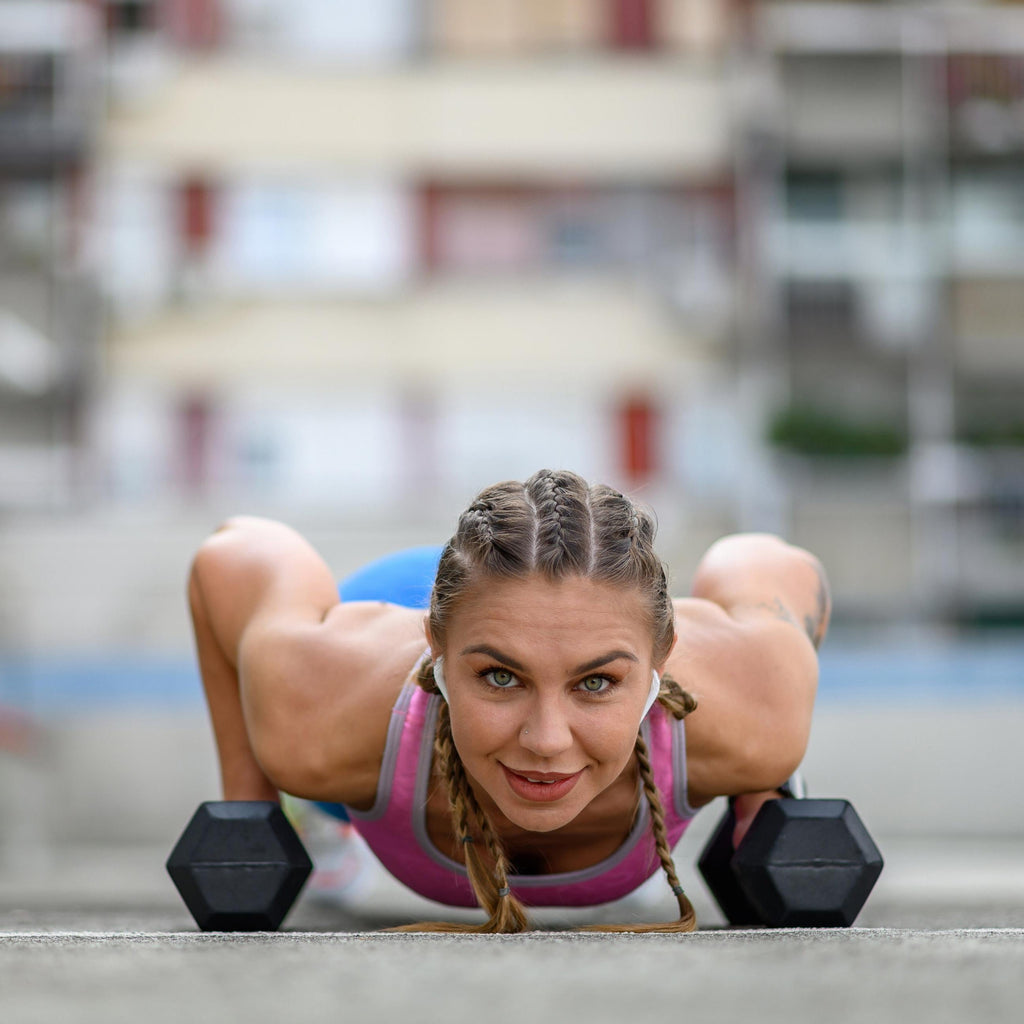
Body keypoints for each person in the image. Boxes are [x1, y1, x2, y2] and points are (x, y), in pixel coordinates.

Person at [187, 469, 829, 933]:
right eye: (502, 679)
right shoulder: (322, 714)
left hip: (543, 614)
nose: (546, 741)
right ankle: (328, 822)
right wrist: (250, 808)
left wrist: (762, 802)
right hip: (387, 626)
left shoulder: (752, 716)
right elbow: (232, 555)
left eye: (597, 683)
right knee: (303, 751)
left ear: (661, 664)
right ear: (435, 649)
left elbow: (771, 561)